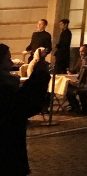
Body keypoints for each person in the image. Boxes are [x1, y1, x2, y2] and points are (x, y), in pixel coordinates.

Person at [0, 44, 51, 176]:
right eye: (8, 59)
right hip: (7, 145)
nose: (11, 62)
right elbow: (23, 105)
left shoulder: (7, 83)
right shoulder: (4, 86)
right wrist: (40, 74)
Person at [65, 44, 87, 115]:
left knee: (79, 90)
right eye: (80, 51)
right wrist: (69, 71)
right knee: (67, 89)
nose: (81, 53)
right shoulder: (80, 59)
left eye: (83, 51)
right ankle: (76, 107)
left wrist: (84, 61)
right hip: (79, 81)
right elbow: (75, 70)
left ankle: (85, 108)